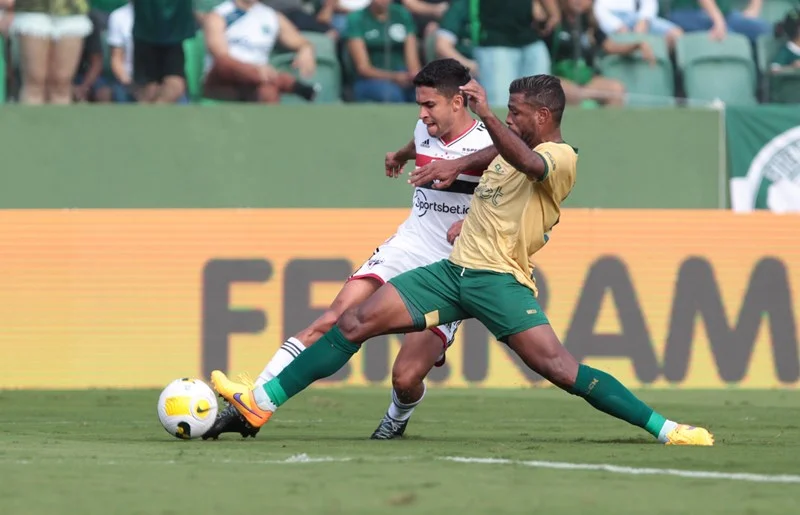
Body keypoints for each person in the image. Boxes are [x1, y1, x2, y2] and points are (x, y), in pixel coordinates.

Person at [211, 74, 715, 446]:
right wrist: (453, 167)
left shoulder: (563, 157)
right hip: (451, 273)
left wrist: (490, 117)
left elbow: (525, 160)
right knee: (354, 320)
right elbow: (491, 157)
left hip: (499, 281)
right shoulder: (503, 145)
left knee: (559, 368)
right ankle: (259, 404)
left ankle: (666, 429)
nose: (508, 119)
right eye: (507, 113)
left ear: (541, 117)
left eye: (516, 113)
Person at [202, 58, 494, 440]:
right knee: (334, 317)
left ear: (458, 102)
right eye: (419, 105)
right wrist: (401, 154)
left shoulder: (489, 142)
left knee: (405, 378)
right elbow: (419, 143)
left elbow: (514, 169)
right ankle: (252, 399)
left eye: (429, 106)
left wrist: (463, 196)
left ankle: (397, 417)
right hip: (409, 244)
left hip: (451, 263)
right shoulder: (424, 127)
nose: (422, 115)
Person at [203, 0, 319, 103]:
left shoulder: (272, 16)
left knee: (268, 91)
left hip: (257, 83)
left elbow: (300, 41)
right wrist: (255, 71)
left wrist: (306, 49)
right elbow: (220, 56)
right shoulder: (219, 15)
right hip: (223, 81)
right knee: (225, 63)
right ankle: (290, 84)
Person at [11, 0, 93, 104]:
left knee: (62, 81)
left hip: (71, 10)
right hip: (33, 9)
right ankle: (30, 119)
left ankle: (60, 119)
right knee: (35, 79)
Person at [346, 0, 421, 103]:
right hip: (370, 79)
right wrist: (394, 77)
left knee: (423, 93)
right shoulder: (357, 18)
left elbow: (413, 59)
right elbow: (363, 68)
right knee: (392, 95)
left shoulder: (401, 14)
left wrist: (413, 76)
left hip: (402, 73)